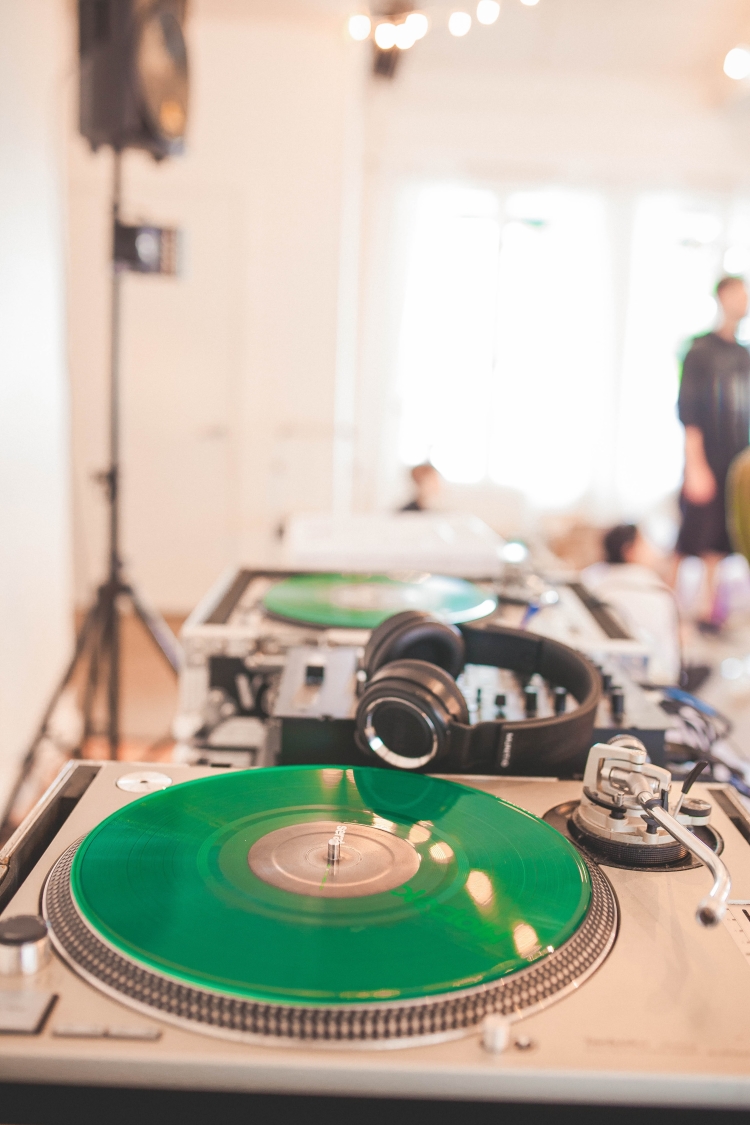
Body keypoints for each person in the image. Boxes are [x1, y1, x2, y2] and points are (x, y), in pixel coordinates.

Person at [674, 275, 750, 630]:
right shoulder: (700, 350)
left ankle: (709, 611)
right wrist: (695, 464)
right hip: (705, 455)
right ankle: (668, 609)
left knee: (721, 539)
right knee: (691, 536)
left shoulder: (743, 354)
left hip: (736, 458)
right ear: (722, 297)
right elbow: (688, 411)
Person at [583, 524, 681, 684]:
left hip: (597, 672)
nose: (653, 549)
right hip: (649, 679)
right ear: (629, 551)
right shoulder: (656, 592)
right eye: (646, 543)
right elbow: (670, 662)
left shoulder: (590, 578)